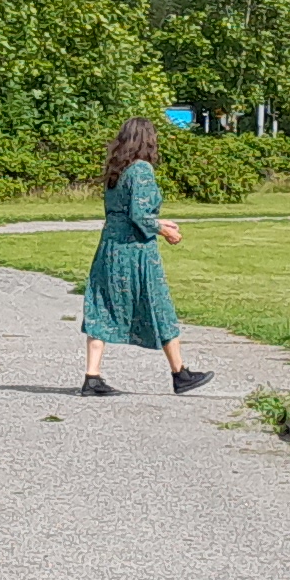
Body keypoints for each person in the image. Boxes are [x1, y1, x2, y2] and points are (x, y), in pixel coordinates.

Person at [80, 120, 210, 396]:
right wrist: (163, 230)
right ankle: (180, 373)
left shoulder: (116, 170)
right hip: (136, 251)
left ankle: (92, 376)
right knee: (157, 303)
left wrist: (158, 220)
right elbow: (139, 216)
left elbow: (123, 212)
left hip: (109, 247)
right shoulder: (141, 170)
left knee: (102, 306)